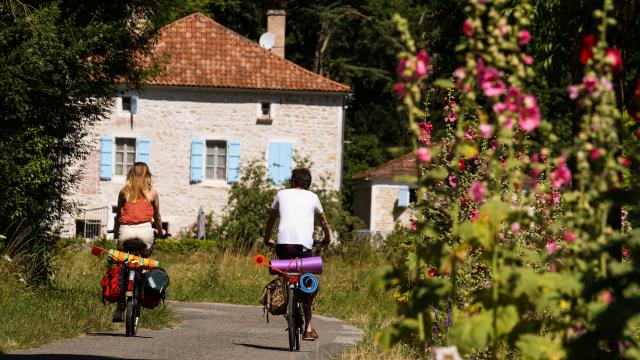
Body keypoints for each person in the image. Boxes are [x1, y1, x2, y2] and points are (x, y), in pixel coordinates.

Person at [263, 168, 331, 341]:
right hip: (303, 249)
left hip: (283, 247)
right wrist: (327, 238)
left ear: (292, 181)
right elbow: (323, 221)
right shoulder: (313, 197)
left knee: (285, 277)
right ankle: (308, 328)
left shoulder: (281, 194)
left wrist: (266, 238)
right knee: (308, 281)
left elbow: (271, 219)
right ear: (308, 183)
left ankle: (288, 305)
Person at [112, 162, 163, 322]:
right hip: (145, 233)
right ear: (147, 176)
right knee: (145, 260)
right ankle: (142, 281)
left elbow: (118, 217)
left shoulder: (123, 192)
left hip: (125, 233)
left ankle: (120, 307)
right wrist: (160, 232)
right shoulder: (152, 193)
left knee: (121, 263)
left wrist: (116, 232)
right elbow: (158, 218)